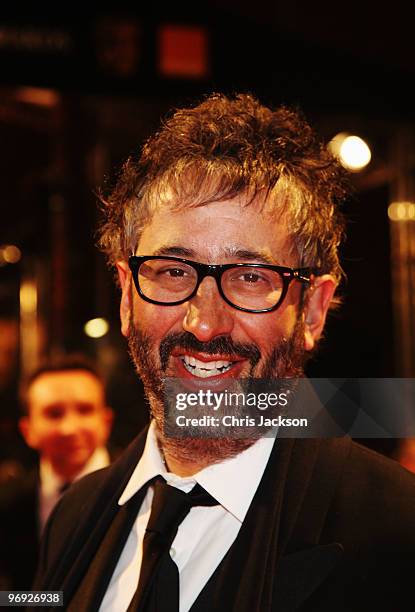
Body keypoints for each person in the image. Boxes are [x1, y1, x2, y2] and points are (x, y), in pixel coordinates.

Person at [34, 94, 415, 611]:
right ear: (125, 296)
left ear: (312, 311)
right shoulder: (75, 516)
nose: (205, 323)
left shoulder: (395, 531)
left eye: (251, 277)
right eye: (172, 271)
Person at [0, 354, 113, 589]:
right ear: (27, 429)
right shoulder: (8, 502)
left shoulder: (145, 488)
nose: (69, 428)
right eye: (54, 413)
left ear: (106, 421)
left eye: (84, 410)